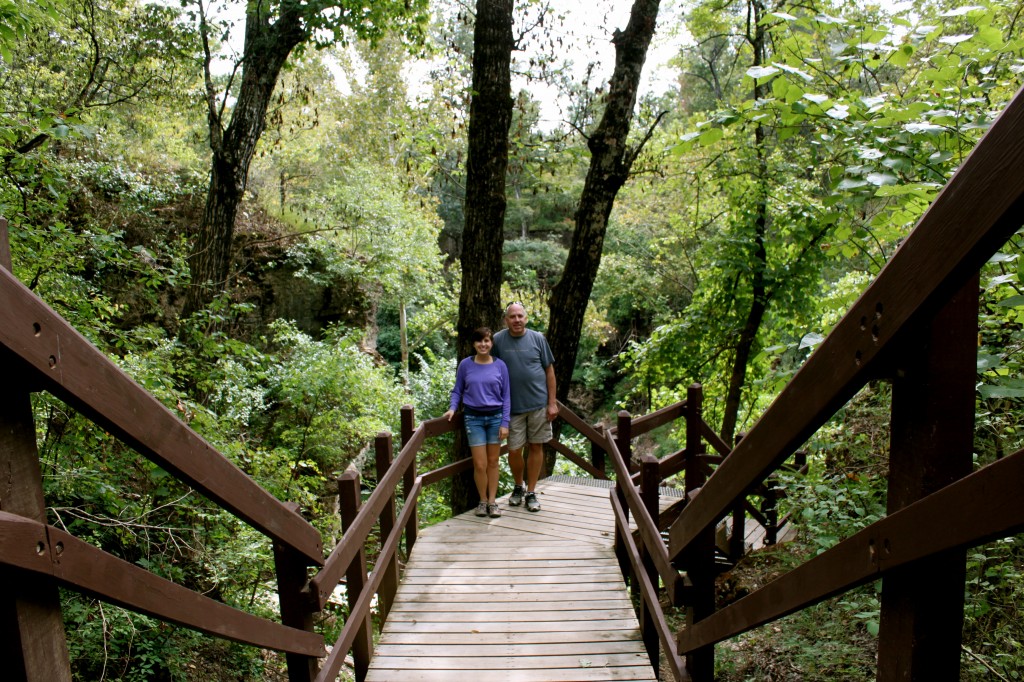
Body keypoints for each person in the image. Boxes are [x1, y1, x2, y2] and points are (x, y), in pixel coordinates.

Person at [491, 302, 557, 512]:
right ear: (506, 320)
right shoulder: (498, 340)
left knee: (537, 446)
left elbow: (549, 371)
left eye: (520, 316)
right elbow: (489, 368)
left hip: (538, 404)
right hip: (511, 407)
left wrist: (552, 402)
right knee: (513, 449)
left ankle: (531, 492)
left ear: (526, 318)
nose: (517, 320)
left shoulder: (537, 338)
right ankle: (518, 486)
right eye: (512, 316)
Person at [444, 327, 510, 518]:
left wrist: (505, 422)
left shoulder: (500, 366)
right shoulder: (466, 365)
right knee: (480, 464)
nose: (483, 344)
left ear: (491, 343)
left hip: (496, 418)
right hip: (473, 419)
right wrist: (452, 408)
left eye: (487, 341)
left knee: (493, 462)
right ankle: (482, 501)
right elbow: (457, 390)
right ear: (473, 344)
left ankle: (492, 502)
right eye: (479, 341)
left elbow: (506, 396)